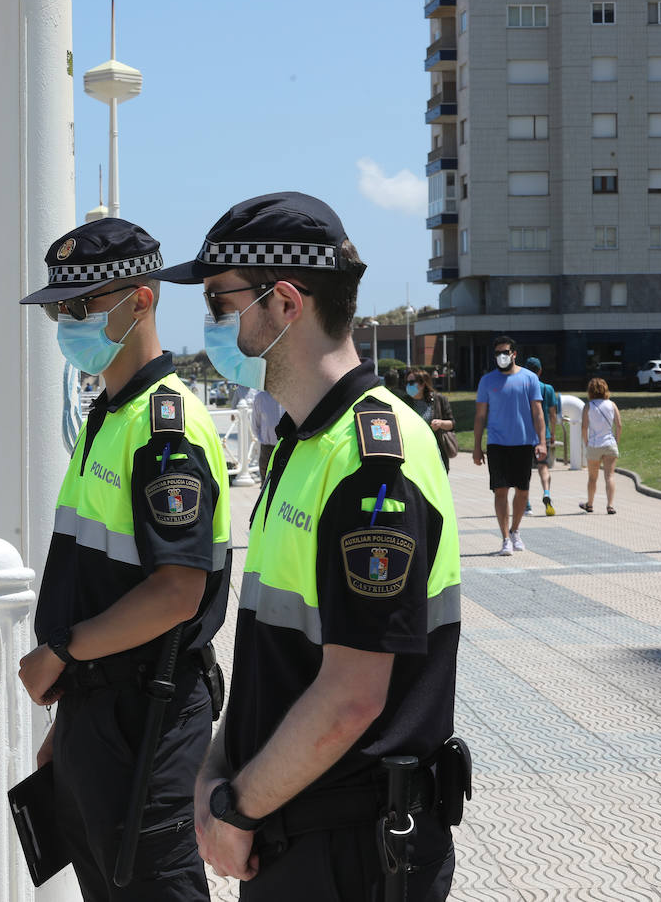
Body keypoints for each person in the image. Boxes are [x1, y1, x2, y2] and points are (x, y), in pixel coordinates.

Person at [153, 191, 461, 900]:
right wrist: (213, 773)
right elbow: (279, 656)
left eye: (220, 302)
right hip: (299, 833)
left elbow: (352, 695)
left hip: (353, 850)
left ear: (285, 304)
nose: (209, 324)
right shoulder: (305, 443)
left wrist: (237, 806)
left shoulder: (368, 459)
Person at [16, 217, 232, 901]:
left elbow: (177, 592)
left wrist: (62, 651)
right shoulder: (110, 414)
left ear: (140, 298)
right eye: (60, 308)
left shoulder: (164, 427)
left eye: (80, 306)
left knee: (152, 885)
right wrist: (69, 723)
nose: (66, 322)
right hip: (97, 709)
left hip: (149, 708)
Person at [472, 336, 547, 555]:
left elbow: (537, 412)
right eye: (497, 353)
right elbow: (479, 416)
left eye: (505, 352)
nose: (501, 357)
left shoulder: (529, 378)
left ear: (514, 353)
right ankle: (505, 538)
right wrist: (477, 446)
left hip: (524, 443)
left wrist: (542, 442)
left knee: (522, 492)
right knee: (500, 491)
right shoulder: (487, 381)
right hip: (497, 444)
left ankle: (515, 530)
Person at [579, 377, 622, 514]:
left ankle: (590, 504)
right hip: (609, 443)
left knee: (592, 477)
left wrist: (586, 443)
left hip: (594, 444)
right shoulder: (612, 405)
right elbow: (619, 425)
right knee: (609, 476)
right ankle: (610, 505)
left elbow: (584, 427)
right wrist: (616, 440)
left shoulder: (588, 406)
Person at [524, 357, 559, 516]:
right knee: (543, 466)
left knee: (524, 470)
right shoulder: (548, 389)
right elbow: (552, 415)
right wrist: (552, 434)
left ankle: (527, 504)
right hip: (542, 434)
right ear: (540, 371)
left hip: (524, 435)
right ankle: (546, 492)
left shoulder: (522, 388)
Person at [404, 369, 456, 473]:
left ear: (422, 384)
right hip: (413, 454)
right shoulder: (405, 401)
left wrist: (440, 423)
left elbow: (451, 424)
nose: (408, 386)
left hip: (436, 452)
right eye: (406, 382)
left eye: (411, 383)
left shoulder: (439, 399)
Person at [249, 389, 283, 480]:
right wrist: (263, 439)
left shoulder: (286, 395)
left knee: (282, 479)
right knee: (265, 479)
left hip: (284, 445)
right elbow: (255, 424)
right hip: (267, 447)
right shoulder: (260, 397)